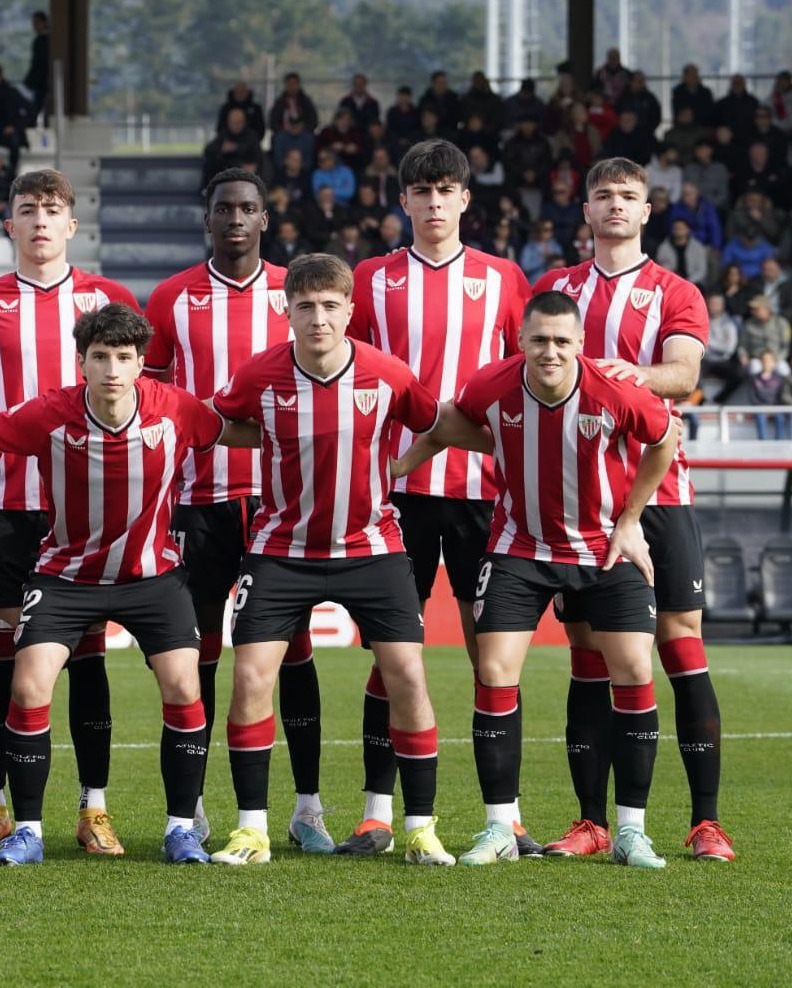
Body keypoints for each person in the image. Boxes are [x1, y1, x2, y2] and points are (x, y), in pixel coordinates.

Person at [0, 304, 229, 865]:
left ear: (141, 363)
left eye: (123, 357)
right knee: (28, 686)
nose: (112, 370)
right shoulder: (50, 413)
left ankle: (180, 830)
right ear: (82, 362)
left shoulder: (177, 409)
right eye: (100, 357)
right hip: (66, 578)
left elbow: (237, 431)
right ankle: (28, 832)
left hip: (153, 577)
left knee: (184, 686)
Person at [398, 291, 679, 869]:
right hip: (518, 549)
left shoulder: (615, 390)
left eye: (562, 341)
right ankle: (500, 827)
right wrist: (398, 467)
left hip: (602, 549)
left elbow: (664, 438)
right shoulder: (491, 384)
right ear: (521, 341)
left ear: (580, 344)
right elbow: (448, 422)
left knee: (633, 670)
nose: (550, 351)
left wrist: (631, 520)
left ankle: (631, 832)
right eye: (540, 340)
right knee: (495, 672)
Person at [0, 169, 138, 859]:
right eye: (27, 209)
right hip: (9, 505)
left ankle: (94, 809)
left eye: (52, 209)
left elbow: (143, 392)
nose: (40, 220)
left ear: (72, 224)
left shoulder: (108, 299)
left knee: (89, 661)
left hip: (89, 509)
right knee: (0, 660)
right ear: (9, 224)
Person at [205, 253, 450, 868]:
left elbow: (435, 422)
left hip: (373, 549)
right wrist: (268, 434)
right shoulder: (259, 374)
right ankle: (252, 831)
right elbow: (219, 421)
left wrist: (402, 464)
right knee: (251, 678)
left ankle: (420, 830)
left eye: (330, 306)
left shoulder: (387, 373)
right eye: (306, 307)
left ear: (349, 311)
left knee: (408, 676)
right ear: (287, 312)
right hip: (280, 551)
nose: (318, 318)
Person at [532, 157, 735, 863]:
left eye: (628, 196)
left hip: (663, 491)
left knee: (681, 642)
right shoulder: (556, 290)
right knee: (589, 650)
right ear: (585, 210)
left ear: (647, 211)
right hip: (582, 499)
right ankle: (592, 822)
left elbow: (684, 372)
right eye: (603, 195)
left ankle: (706, 823)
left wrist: (628, 376)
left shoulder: (675, 291)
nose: (615, 205)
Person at [343, 139, 536, 858]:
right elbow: (347, 372)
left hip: (484, 493)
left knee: (493, 655)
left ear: (464, 199)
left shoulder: (502, 277)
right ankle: (375, 815)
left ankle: (505, 818)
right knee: (390, 657)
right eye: (421, 191)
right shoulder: (372, 279)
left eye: (445, 190)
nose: (433, 203)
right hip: (396, 493)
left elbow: (526, 372)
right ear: (404, 200)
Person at [141, 167, 321, 853]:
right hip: (198, 501)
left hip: (282, 504)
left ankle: (307, 808)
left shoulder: (295, 293)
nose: (236, 218)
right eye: (225, 208)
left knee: (293, 652)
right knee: (199, 654)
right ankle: (191, 810)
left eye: (249, 208)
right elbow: (149, 394)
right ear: (208, 217)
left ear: (265, 219)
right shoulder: (172, 297)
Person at [23, 10, 50, 125]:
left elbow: (38, 63)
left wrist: (29, 81)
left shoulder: (41, 40)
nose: (34, 26)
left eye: (36, 23)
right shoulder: (42, 39)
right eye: (33, 23)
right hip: (42, 81)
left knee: (36, 110)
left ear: (44, 23)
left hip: (42, 82)